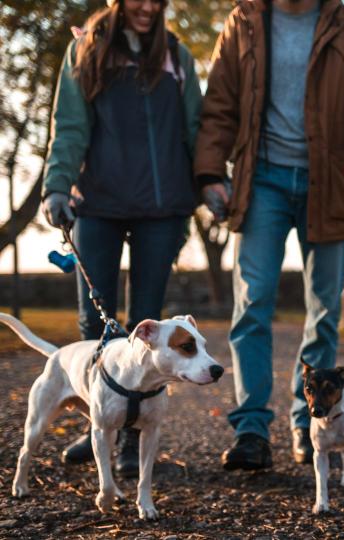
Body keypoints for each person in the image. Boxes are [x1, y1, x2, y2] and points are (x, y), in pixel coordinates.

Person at [194, 0, 344, 470]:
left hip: (330, 180)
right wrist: (209, 171)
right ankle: (252, 431)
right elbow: (219, 101)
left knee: (324, 309)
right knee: (253, 301)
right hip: (260, 179)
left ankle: (310, 423)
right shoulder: (243, 21)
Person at [40, 0, 202, 477]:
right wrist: (56, 184)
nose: (148, 6)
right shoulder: (86, 50)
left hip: (162, 205)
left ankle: (135, 438)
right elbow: (69, 124)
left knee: (152, 320)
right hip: (97, 202)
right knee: (97, 322)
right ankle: (102, 420)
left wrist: (208, 180)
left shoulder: (177, 56)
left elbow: (195, 127)